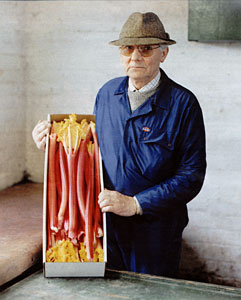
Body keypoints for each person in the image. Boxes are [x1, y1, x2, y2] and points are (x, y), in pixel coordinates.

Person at [32, 12, 206, 278]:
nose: (135, 57)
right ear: (120, 53)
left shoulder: (183, 104)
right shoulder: (107, 94)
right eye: (127, 48)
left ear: (163, 54)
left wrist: (136, 204)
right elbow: (90, 153)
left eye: (146, 49)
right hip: (107, 226)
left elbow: (191, 177)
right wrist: (51, 144)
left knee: (150, 296)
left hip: (157, 233)